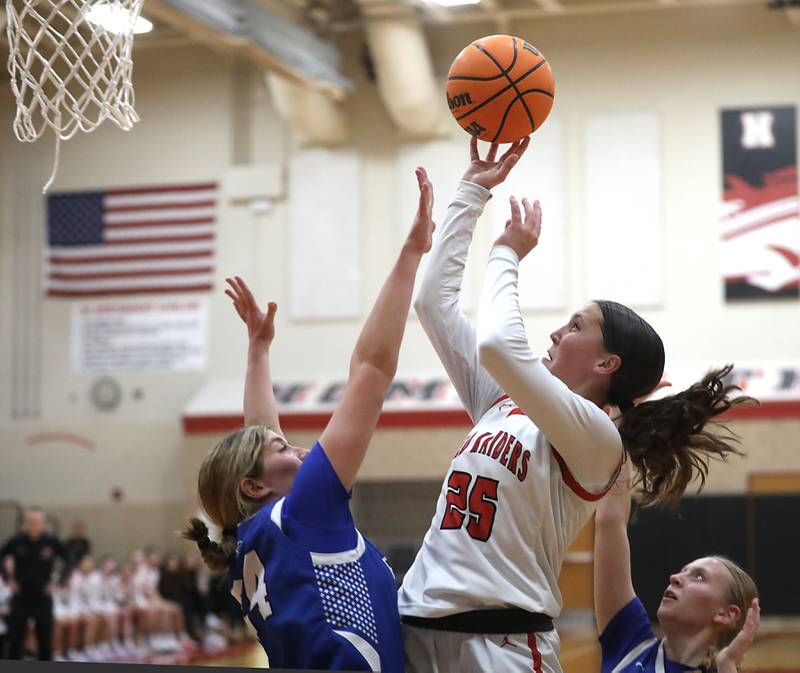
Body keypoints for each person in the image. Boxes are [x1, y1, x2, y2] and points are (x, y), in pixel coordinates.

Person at [398, 137, 751, 673]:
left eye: (577, 325)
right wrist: (471, 192)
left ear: (608, 364)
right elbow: (432, 304)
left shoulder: (597, 438)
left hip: (502, 645)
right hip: (418, 626)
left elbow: (498, 345)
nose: (558, 331)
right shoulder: (502, 400)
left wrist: (506, 254)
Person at [181, 167, 436, 672]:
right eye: (284, 450)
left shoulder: (246, 546)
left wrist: (258, 353)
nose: (300, 450)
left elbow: (259, 441)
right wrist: (411, 254)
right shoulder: (301, 513)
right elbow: (372, 369)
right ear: (254, 485)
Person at [594, 460, 760, 673]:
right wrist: (622, 441)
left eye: (699, 577)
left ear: (726, 614)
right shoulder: (630, 641)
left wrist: (726, 664)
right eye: (683, 571)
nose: (675, 577)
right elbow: (610, 520)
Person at [0, 507, 68, 660]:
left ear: (43, 524)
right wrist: (7, 578)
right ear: (26, 523)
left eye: (37, 522)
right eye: (31, 522)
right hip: (20, 597)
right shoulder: (16, 541)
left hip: (42, 598)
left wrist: (58, 581)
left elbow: (68, 560)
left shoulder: (51, 542)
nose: (34, 525)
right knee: (15, 641)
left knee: (45, 641)